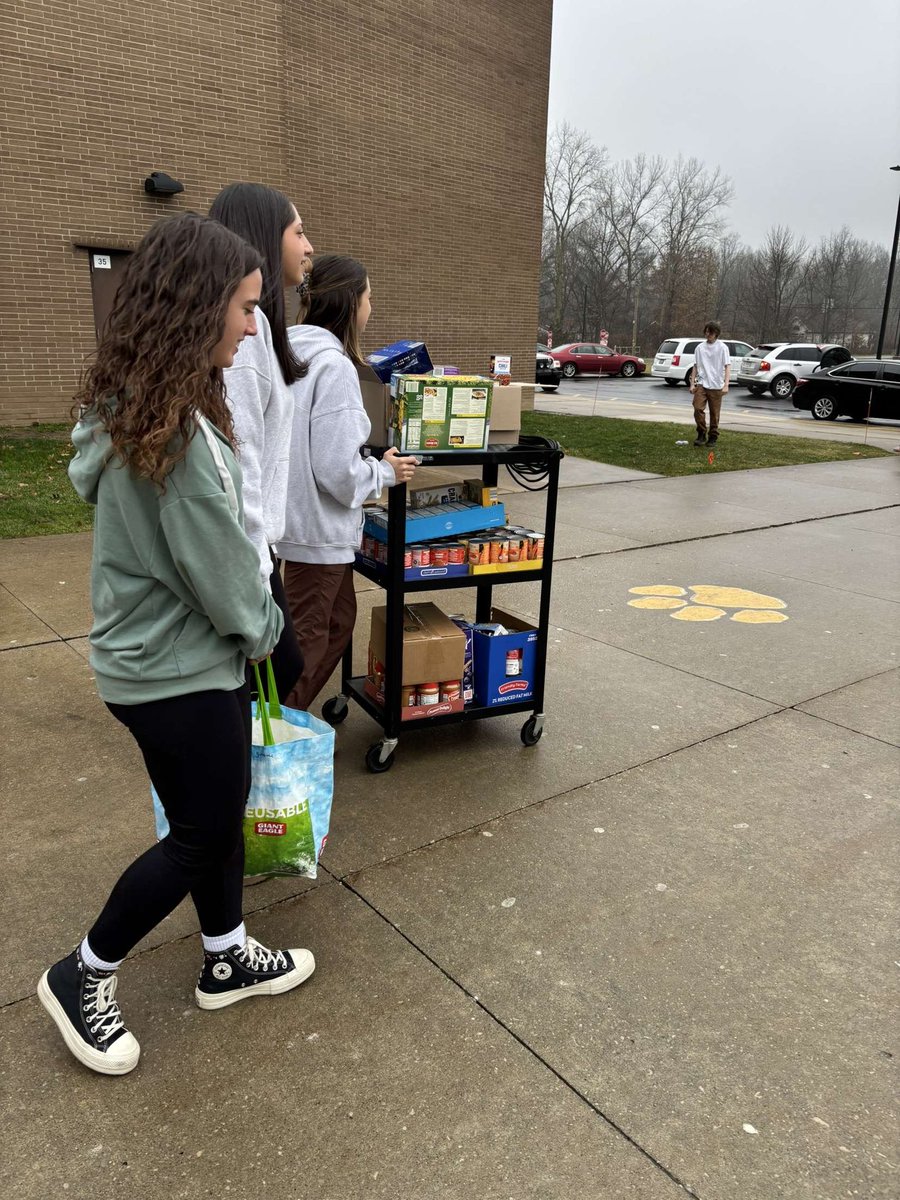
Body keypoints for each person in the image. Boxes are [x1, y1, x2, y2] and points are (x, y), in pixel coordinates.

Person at [38, 214, 315, 1078]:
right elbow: (227, 577)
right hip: (175, 673)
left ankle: (226, 953)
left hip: (167, 663)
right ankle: (82, 972)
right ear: (198, 309)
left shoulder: (143, 411)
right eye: (242, 308)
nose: (251, 326)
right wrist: (276, 637)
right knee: (199, 831)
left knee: (212, 813)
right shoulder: (179, 440)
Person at [275, 254, 418, 712]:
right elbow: (337, 471)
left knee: (337, 623)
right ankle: (268, 743)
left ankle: (276, 726)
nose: (371, 308)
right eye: (369, 297)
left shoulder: (288, 353)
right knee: (309, 641)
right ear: (350, 303)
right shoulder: (333, 367)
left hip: (296, 526)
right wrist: (385, 472)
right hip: (314, 532)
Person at [208, 182, 313, 699]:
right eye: (298, 231)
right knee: (274, 672)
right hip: (248, 552)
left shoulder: (260, 326)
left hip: (256, 547)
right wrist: (255, 577)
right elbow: (240, 457)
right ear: (266, 240)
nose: (309, 246)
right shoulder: (248, 334)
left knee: (270, 679)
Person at [689, 321, 731, 447]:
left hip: (716, 385)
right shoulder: (700, 348)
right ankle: (701, 433)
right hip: (702, 383)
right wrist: (692, 384)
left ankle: (713, 436)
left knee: (714, 413)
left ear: (716, 333)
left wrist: (726, 384)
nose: (707, 334)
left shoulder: (723, 348)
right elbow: (695, 366)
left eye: (710, 332)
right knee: (697, 408)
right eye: (706, 331)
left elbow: (727, 366)